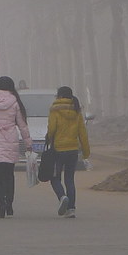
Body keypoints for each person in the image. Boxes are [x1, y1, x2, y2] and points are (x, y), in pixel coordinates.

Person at [0, 76, 31, 219]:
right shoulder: (15, 100)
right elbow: (22, 124)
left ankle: (1, 204)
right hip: (10, 140)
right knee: (9, 175)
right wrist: (28, 143)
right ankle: (9, 203)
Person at [47, 85, 91, 218]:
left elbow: (52, 129)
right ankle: (71, 209)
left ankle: (62, 197)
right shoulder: (77, 110)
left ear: (59, 96)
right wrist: (86, 152)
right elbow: (82, 133)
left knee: (55, 178)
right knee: (70, 180)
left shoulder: (54, 109)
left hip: (58, 150)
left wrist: (49, 138)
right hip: (72, 150)